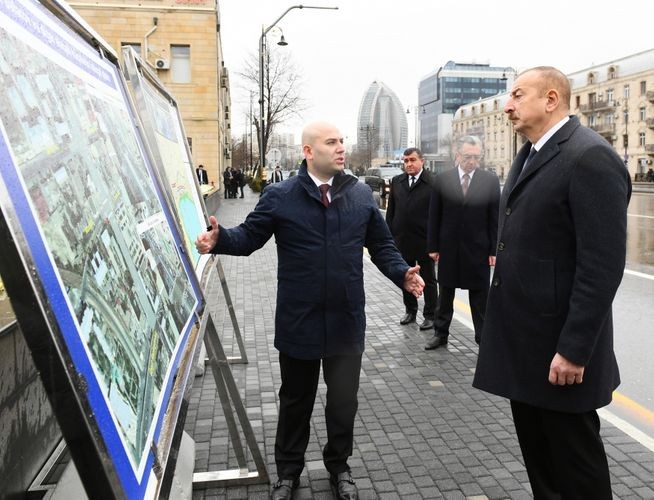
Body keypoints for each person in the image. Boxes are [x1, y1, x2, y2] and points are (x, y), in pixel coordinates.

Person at [195, 121, 425, 500]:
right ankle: (288, 473)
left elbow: (382, 246)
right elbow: (250, 238)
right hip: (298, 318)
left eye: (341, 141)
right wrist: (221, 239)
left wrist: (402, 274)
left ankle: (340, 467)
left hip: (345, 320)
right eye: (331, 142)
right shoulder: (280, 196)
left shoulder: (360, 196)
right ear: (308, 151)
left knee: (343, 401)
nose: (340, 148)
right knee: (295, 400)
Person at [473, 66, 631, 498]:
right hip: (527, 348)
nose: (508, 105)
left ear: (551, 100)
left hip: (561, 355)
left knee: (576, 472)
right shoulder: (529, 154)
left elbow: (601, 267)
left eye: (518, 94)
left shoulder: (589, 156)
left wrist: (574, 349)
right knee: (543, 469)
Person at [425, 136, 500, 349]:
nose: (472, 161)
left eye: (476, 157)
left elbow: (495, 218)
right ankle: (440, 334)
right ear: (458, 155)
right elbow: (434, 215)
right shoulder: (443, 180)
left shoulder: (490, 181)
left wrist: (493, 249)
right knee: (445, 294)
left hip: (478, 248)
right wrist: (433, 246)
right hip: (448, 248)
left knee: (479, 297)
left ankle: (482, 339)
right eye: (468, 157)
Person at [385, 147, 438, 331]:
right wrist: (389, 237)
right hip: (402, 239)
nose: (409, 164)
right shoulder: (397, 181)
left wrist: (436, 243)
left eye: (412, 160)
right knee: (405, 276)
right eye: (406, 161)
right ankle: (410, 310)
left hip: (425, 240)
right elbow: (391, 211)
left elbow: (439, 215)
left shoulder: (433, 182)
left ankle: (430, 315)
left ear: (421, 161)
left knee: (429, 279)